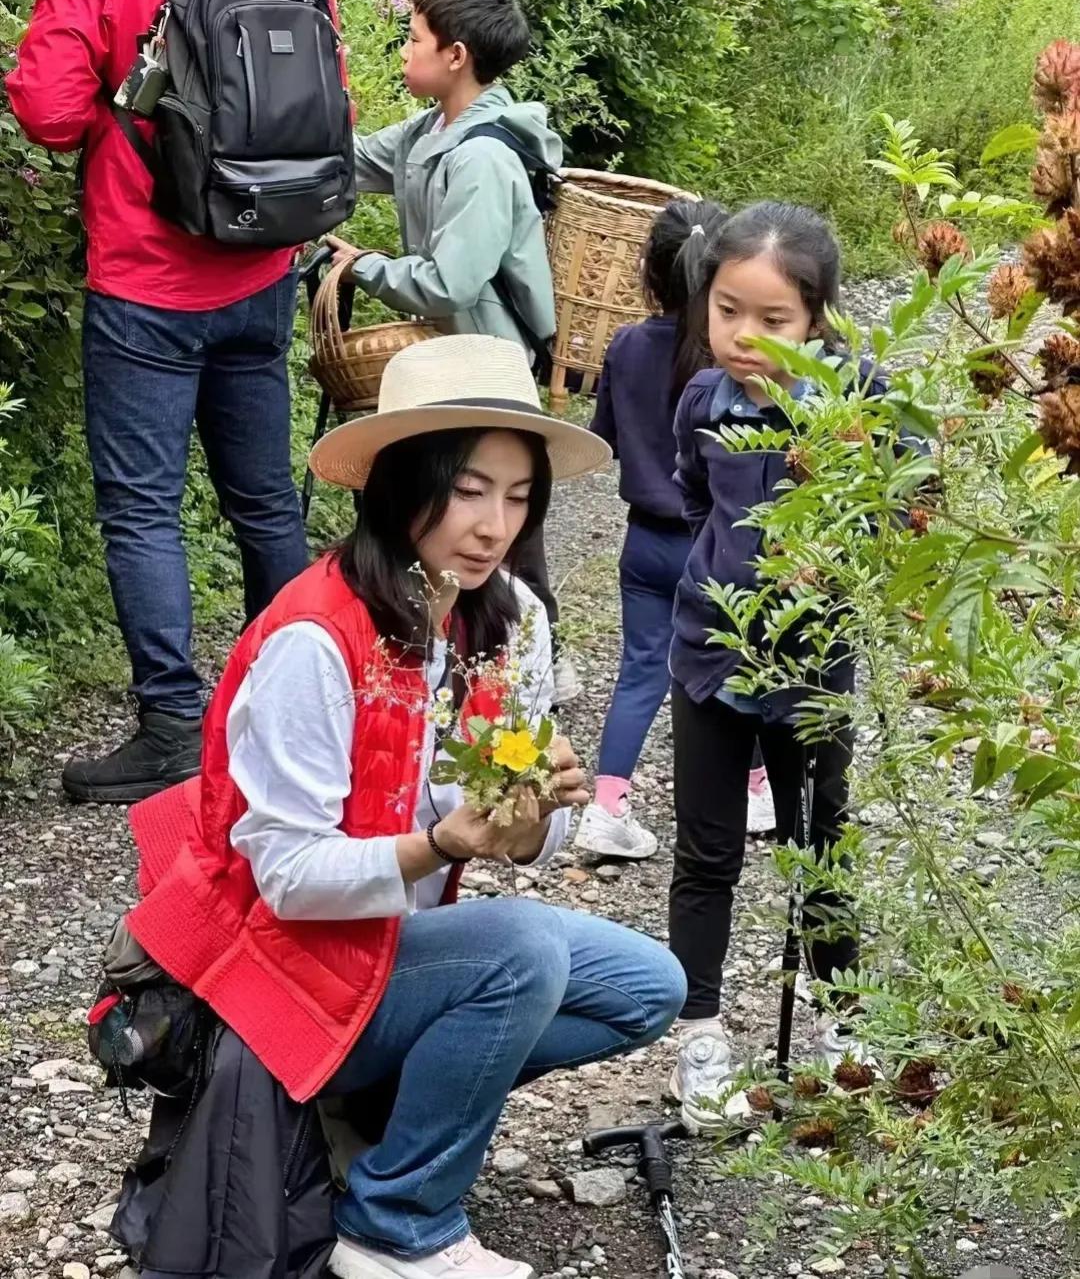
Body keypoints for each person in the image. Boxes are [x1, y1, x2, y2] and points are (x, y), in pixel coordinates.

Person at [120, 335, 687, 1279]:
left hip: (394, 952)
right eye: (467, 489)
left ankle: (389, 1116)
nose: (493, 524)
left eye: (517, 496)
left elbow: (517, 839)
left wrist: (531, 818)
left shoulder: (508, 616)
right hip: (273, 970)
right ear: (398, 482)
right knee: (525, 948)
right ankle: (397, 1220)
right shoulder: (315, 637)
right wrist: (433, 846)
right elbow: (290, 882)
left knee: (647, 988)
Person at [6, 0, 324, 804]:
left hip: (148, 279)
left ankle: (174, 726)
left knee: (144, 510)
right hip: (262, 263)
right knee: (264, 501)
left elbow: (47, 110)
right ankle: (294, 710)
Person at [666, 203, 880, 1133]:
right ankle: (702, 1037)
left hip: (815, 662)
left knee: (820, 844)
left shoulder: (857, 401)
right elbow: (691, 495)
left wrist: (835, 551)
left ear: (819, 316)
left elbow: (899, 512)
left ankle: (841, 1024)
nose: (744, 337)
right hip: (710, 650)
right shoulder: (701, 402)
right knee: (706, 852)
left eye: (774, 320)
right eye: (726, 310)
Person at [325, 0, 578, 703]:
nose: (404, 48)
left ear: (455, 55)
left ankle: (538, 661)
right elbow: (354, 159)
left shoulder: (483, 161)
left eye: (413, 36)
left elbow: (450, 280)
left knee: (497, 513)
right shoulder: (431, 131)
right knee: (442, 505)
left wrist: (361, 267)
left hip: (490, 363)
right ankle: (441, 652)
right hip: (448, 363)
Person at [571, 199, 725, 861]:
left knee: (640, 671)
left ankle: (607, 807)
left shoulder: (629, 344)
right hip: (714, 542)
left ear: (650, 276)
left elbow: (601, 438)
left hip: (643, 543)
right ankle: (747, 788)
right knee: (732, 665)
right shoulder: (731, 360)